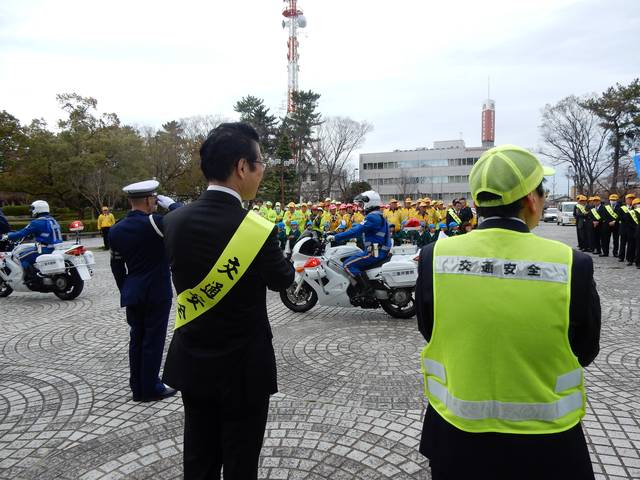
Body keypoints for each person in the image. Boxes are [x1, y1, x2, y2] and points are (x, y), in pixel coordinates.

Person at [416, 144, 600, 479]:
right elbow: (585, 350)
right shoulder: (573, 263)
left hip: (456, 439)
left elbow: (430, 329)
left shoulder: (434, 256)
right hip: (548, 445)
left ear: (477, 203)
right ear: (532, 198)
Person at [161, 122, 294, 480]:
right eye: (260, 162)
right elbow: (284, 279)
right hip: (244, 369)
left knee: (199, 460)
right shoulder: (256, 228)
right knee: (240, 463)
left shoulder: (174, 221)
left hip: (193, 360)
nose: (262, 170)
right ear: (241, 167)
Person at [108, 180, 180, 403]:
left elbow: (116, 265)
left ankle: (137, 385)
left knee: (136, 338)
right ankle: (150, 387)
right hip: (156, 291)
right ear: (150, 200)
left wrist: (126, 288)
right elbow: (187, 219)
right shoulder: (156, 222)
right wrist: (173, 205)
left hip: (133, 290)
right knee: (153, 340)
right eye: (154, 200)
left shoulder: (116, 228)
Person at [326, 190, 391, 298]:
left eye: (362, 204)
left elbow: (357, 231)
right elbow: (359, 229)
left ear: (370, 203)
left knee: (347, 264)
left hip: (374, 252)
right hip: (377, 250)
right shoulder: (377, 215)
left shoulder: (372, 217)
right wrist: (336, 232)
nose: (361, 207)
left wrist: (335, 237)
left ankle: (366, 289)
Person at [2, 200, 63, 281]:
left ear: (38, 209)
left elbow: (21, 233)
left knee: (21, 257)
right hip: (56, 248)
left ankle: (32, 278)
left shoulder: (37, 222)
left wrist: (7, 236)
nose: (31, 211)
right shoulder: (52, 220)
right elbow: (45, 233)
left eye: (33, 208)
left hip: (46, 249)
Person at [618, 194, 637, 264]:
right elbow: (620, 217)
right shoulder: (622, 208)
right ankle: (621, 257)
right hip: (623, 228)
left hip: (632, 229)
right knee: (622, 243)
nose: (630, 200)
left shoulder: (635, 208)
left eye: (632, 199)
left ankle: (630, 258)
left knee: (631, 244)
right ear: (625, 200)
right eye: (628, 199)